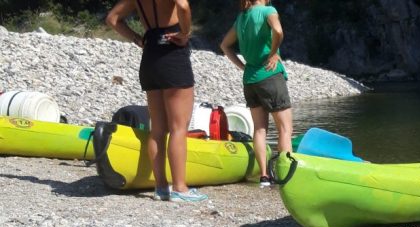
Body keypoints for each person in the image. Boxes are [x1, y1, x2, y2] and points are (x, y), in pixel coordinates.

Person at [106, 0, 208, 202]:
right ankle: (180, 188)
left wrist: (136, 38)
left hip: (150, 54)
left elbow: (112, 19)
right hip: (172, 51)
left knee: (158, 129)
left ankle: (161, 187)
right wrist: (185, 33)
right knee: (179, 127)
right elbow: (184, 6)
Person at [220, 0, 293, 188]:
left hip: (250, 79)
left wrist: (242, 66)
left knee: (260, 129)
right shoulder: (268, 10)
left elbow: (224, 45)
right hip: (270, 76)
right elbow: (278, 31)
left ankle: (264, 177)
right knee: (284, 129)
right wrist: (274, 53)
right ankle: (286, 176)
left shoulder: (242, 17)